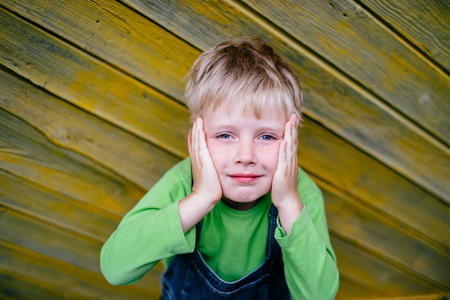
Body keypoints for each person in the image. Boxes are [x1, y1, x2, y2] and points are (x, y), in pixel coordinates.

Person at [100, 36, 339, 299]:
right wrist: (200, 199)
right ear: (196, 140)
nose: (246, 156)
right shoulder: (182, 182)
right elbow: (115, 269)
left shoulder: (301, 195)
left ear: (292, 141)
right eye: (225, 135)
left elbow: (320, 296)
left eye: (267, 136)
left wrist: (289, 204)